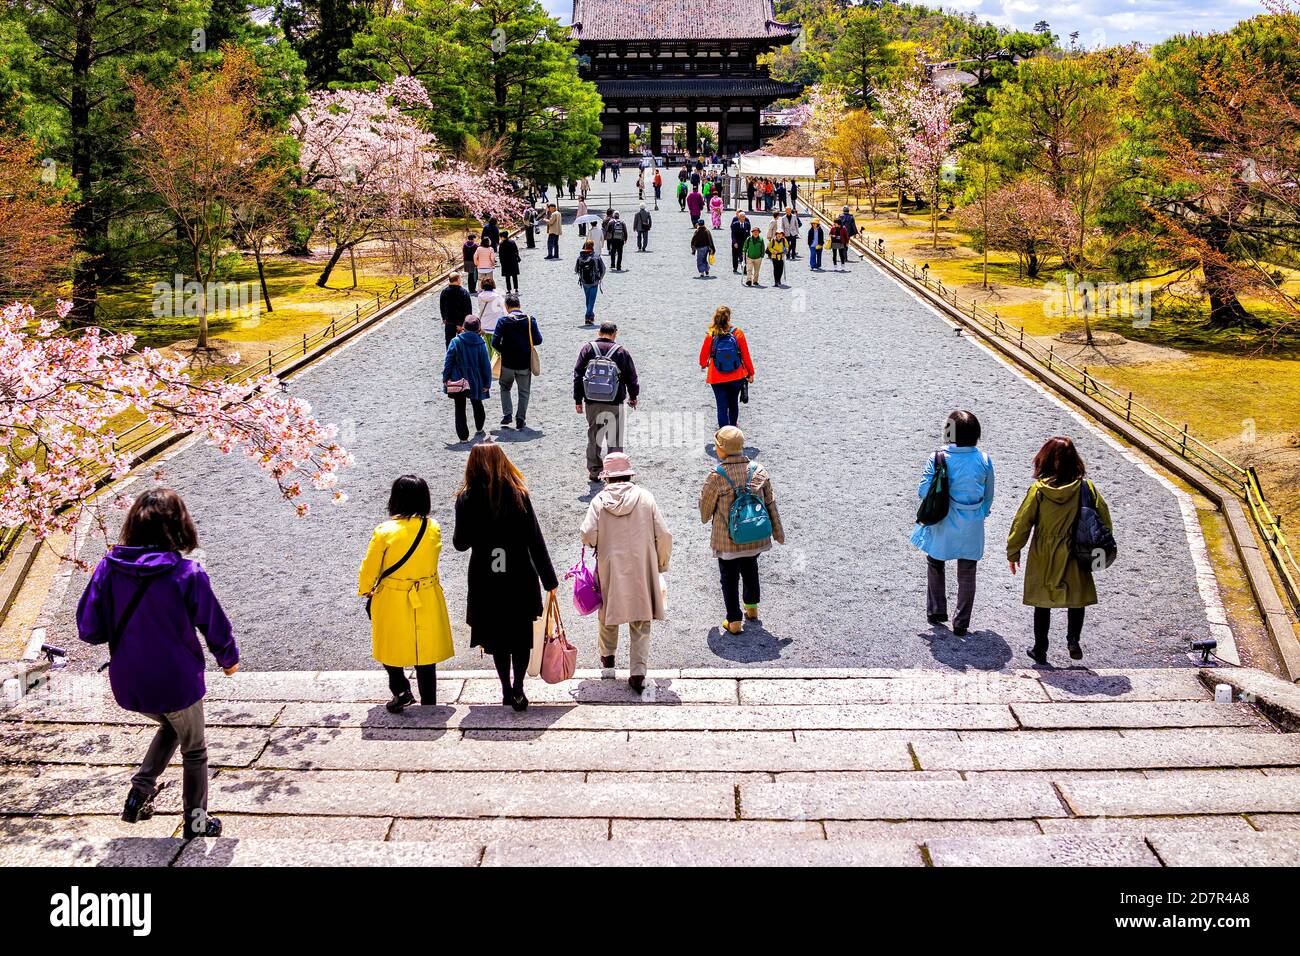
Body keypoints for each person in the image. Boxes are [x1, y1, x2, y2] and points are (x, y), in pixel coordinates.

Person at [75, 488, 237, 840]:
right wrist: (228, 658)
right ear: (179, 526)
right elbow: (213, 623)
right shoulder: (186, 573)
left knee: (170, 727)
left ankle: (140, 792)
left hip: (130, 682)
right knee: (194, 747)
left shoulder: (108, 568)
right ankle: (196, 824)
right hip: (176, 681)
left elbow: (89, 629)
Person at [453, 444, 559, 711]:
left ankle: (505, 688)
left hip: (485, 579)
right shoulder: (518, 494)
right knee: (520, 635)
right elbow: (535, 540)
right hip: (519, 576)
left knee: (498, 638)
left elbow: (460, 543)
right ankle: (520, 688)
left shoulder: (466, 498)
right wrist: (549, 580)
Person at [1007, 436, 1113, 664]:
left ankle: (1040, 648)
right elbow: (1103, 520)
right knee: (1077, 599)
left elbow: (1022, 522)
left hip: (1044, 553)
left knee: (1042, 603)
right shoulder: (1086, 487)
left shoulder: (1038, 491)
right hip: (1076, 550)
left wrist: (1013, 551)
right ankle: (1073, 639)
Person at [358, 475, 454, 713]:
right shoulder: (432, 527)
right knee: (425, 651)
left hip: (393, 594)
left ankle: (401, 690)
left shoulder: (385, 531)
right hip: (426, 593)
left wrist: (366, 590)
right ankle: (429, 703)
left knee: (390, 646)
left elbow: (370, 567)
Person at [580, 452, 673, 694]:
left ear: (607, 478)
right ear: (629, 474)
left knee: (608, 612)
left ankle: (608, 660)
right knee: (641, 618)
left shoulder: (599, 501)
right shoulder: (645, 498)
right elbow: (664, 535)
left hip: (610, 566)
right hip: (641, 566)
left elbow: (588, 534)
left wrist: (597, 544)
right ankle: (638, 672)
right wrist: (660, 564)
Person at [911, 411, 995, 637]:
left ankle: (937, 610)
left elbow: (922, 491)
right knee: (967, 571)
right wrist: (980, 514)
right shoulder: (985, 460)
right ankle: (962, 621)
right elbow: (988, 497)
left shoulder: (938, 458)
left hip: (943, 520)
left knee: (935, 562)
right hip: (972, 523)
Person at [699, 426, 785, 634]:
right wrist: (777, 531)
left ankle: (734, 620)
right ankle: (752, 608)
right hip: (754, 536)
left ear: (721, 450)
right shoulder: (759, 471)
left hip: (727, 539)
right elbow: (770, 502)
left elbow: (705, 510)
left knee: (728, 577)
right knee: (750, 567)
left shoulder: (717, 475)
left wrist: (704, 513)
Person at [574, 321, 640, 482]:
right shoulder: (621, 352)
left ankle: (595, 470)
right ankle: (615, 472)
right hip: (614, 401)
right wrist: (633, 397)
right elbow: (632, 378)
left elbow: (577, 375)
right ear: (615, 333)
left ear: (599, 333)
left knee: (594, 435)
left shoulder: (587, 349)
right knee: (614, 438)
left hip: (591, 400)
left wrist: (578, 400)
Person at [491, 294, 543, 431]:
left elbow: (494, 342)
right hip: (524, 363)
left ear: (507, 307)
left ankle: (507, 414)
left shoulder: (502, 321)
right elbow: (538, 340)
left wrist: (504, 350)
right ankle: (520, 419)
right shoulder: (530, 320)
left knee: (505, 387)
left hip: (507, 363)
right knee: (524, 392)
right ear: (519, 305)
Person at [699, 305, 754, 428]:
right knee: (733, 403)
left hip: (716, 377)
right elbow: (745, 356)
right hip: (736, 375)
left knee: (721, 406)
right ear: (729, 317)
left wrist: (704, 364)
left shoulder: (711, 334)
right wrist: (750, 373)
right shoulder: (738, 333)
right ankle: (733, 430)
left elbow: (702, 358)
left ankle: (724, 436)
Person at [443, 315, 492, 442]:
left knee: (459, 407)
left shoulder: (456, 341)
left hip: (458, 377)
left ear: (464, 328)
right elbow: (486, 365)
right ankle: (479, 428)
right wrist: (487, 383)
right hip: (475, 378)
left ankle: (463, 437)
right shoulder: (481, 343)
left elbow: (448, 361)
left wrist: (445, 377)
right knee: (477, 402)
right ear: (478, 329)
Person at [575, 239, 607, 326]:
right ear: (592, 246)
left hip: (585, 282)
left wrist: (582, 276)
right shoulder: (596, 257)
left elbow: (576, 270)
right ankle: (588, 317)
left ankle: (591, 316)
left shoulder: (580, 257)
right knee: (591, 300)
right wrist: (600, 277)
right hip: (594, 282)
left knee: (588, 299)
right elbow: (603, 269)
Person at [439, 271, 473, 346]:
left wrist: (444, 317)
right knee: (463, 344)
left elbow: (442, 306)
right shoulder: (464, 292)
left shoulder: (444, 292)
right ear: (458, 279)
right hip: (461, 323)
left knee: (449, 343)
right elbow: (468, 309)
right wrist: (465, 323)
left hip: (449, 322)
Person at [475, 275, 506, 344]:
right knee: (496, 350)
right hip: (495, 325)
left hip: (484, 325)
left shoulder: (480, 296)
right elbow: (504, 309)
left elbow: (480, 308)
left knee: (487, 347)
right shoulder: (497, 296)